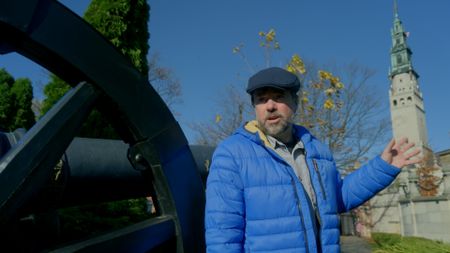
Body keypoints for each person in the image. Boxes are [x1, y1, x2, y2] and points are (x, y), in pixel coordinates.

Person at [204, 67, 420, 253]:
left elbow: (338, 198)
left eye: (279, 97)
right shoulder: (232, 154)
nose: (270, 106)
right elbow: (223, 234)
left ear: (294, 103)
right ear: (255, 108)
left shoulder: (317, 149)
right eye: (261, 99)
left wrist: (383, 167)